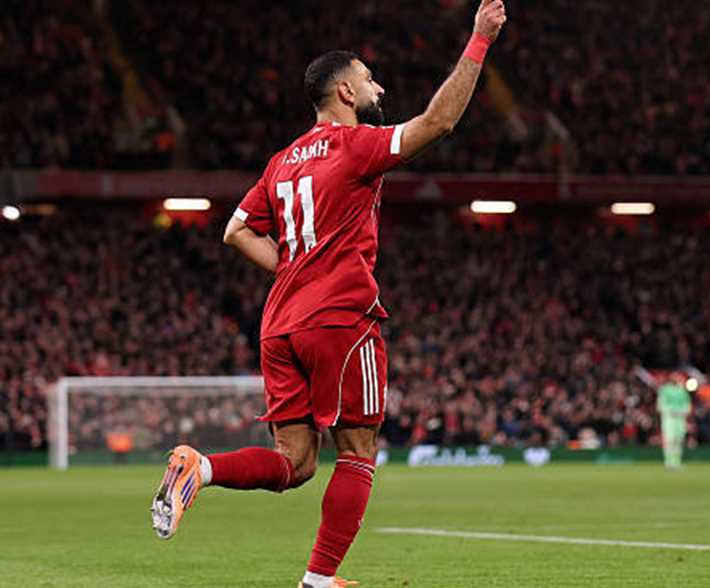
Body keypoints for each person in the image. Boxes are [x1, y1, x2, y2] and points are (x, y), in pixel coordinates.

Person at [150, 1, 507, 585]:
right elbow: (438, 123)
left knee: (295, 463)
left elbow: (235, 230)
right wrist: (480, 41)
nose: (378, 87)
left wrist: (296, 269)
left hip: (279, 323)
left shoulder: (282, 162)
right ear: (344, 91)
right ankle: (318, 581)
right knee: (358, 449)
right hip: (339, 318)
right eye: (369, 79)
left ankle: (201, 468)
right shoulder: (355, 145)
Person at [657, 374, 692, 470]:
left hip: (680, 418)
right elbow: (660, 405)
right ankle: (668, 462)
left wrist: (683, 412)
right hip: (669, 418)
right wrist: (670, 411)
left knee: (678, 440)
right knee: (669, 440)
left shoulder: (682, 390)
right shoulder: (665, 389)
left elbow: (687, 404)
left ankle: (677, 462)